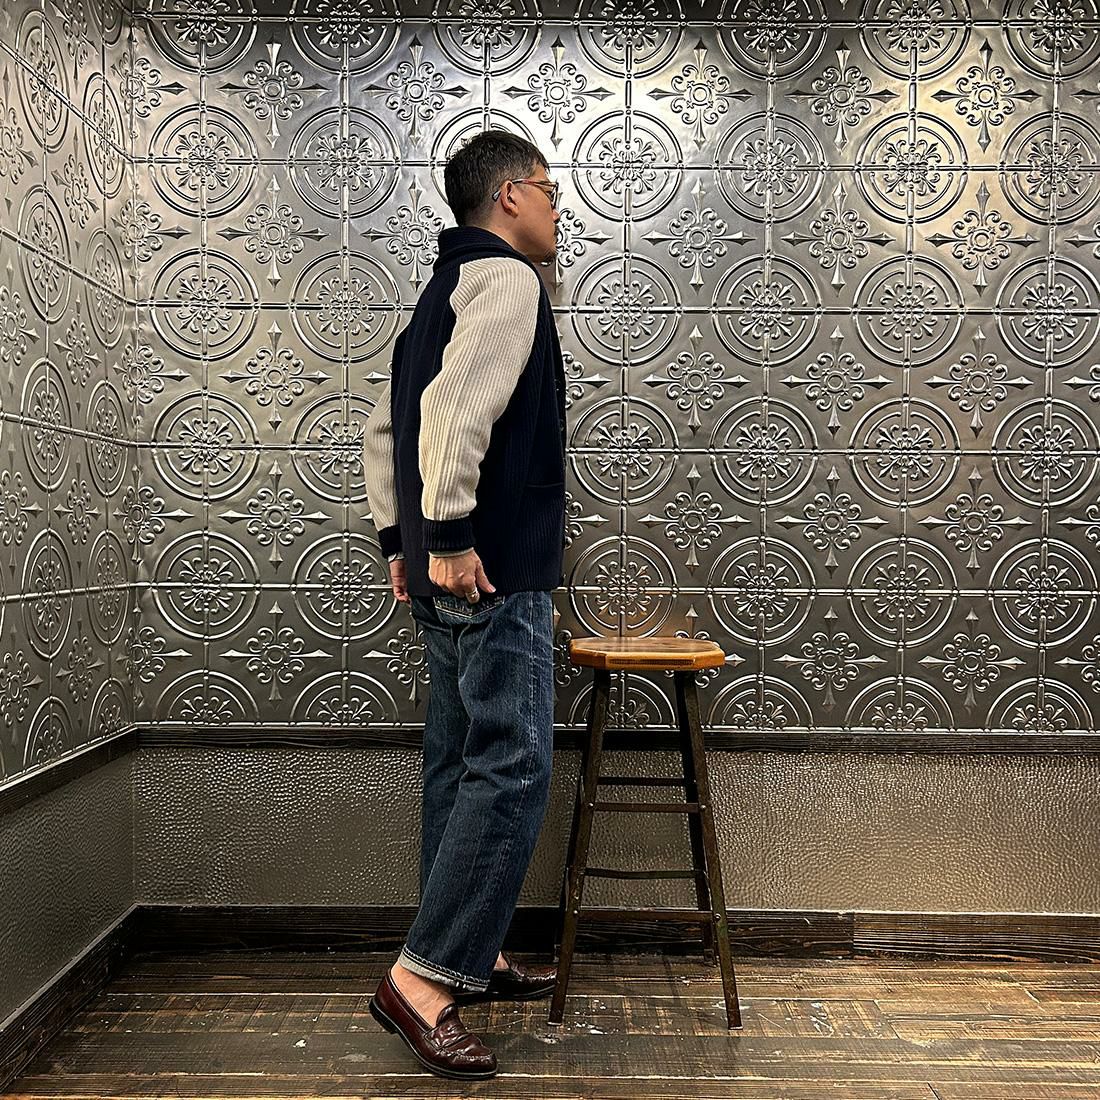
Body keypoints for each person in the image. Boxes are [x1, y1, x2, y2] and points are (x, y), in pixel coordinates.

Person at [361, 130, 567, 1081]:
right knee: (512, 766)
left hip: (442, 570)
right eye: (551, 194)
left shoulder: (438, 292)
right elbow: (447, 419)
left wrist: (399, 543)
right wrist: (446, 538)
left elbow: (385, 428)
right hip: (491, 570)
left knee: (457, 764)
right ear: (512, 195)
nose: (558, 214)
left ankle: (467, 953)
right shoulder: (509, 281)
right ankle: (421, 983)